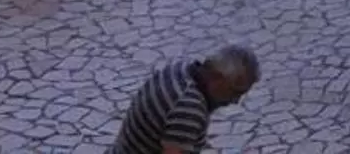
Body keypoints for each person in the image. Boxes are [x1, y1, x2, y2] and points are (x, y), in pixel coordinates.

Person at [111, 45, 259, 154]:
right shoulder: (189, 108)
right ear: (218, 77)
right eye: (235, 91)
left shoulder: (181, 69)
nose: (235, 100)